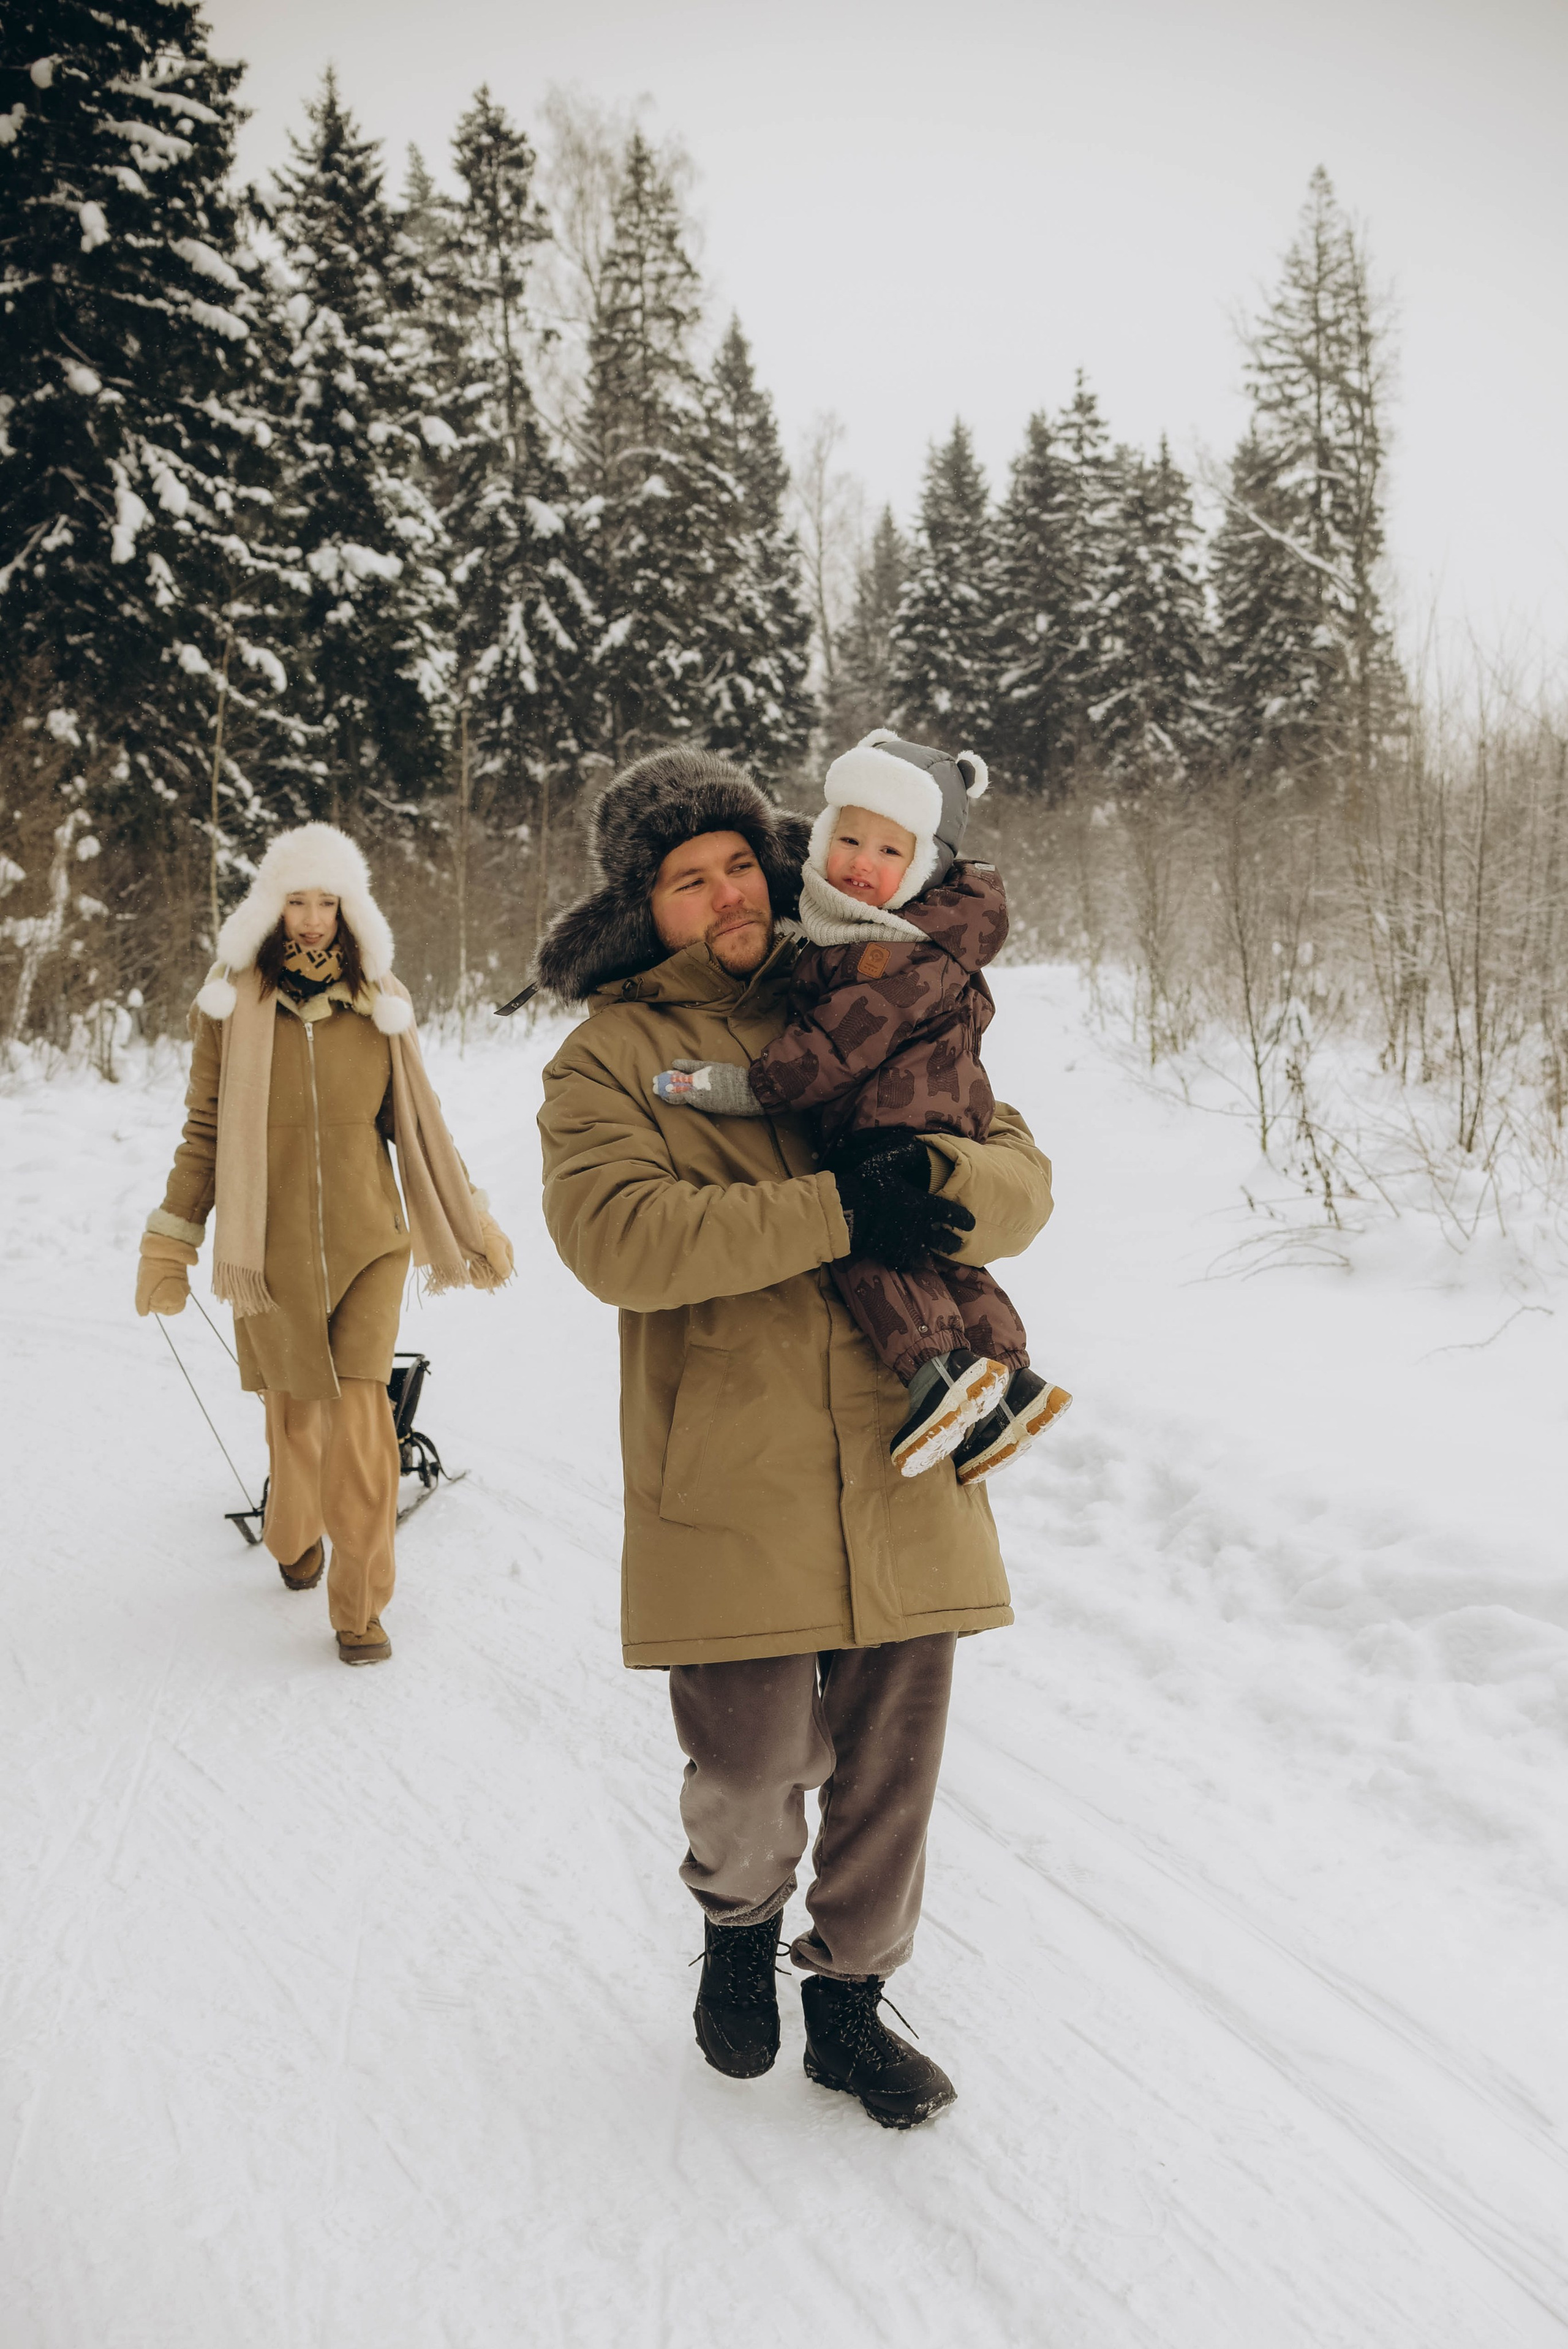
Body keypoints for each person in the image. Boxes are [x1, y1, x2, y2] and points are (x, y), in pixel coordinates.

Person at [535, 749, 1054, 2128]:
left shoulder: (867, 986)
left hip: (902, 1443)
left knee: (892, 1767)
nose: (721, 895)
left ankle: (847, 2005)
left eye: (734, 864)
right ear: (643, 911)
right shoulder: (612, 1056)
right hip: (730, 1466)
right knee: (752, 1763)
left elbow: (1020, 1176)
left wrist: (937, 1184)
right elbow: (619, 1238)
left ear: (779, 863)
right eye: (681, 878)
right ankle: (737, 1924)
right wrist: (841, 1211)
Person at [135, 823, 513, 1666]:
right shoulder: (230, 1004)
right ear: (272, 907)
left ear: (351, 909)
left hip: (371, 1241)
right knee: (293, 1417)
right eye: (297, 901)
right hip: (265, 1252)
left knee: (360, 1416)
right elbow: (204, 1130)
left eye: (327, 902)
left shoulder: (380, 1000)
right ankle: (291, 1536)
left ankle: (360, 1607)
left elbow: (416, 1122)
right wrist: (171, 1241)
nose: (311, 919)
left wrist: (469, 1217)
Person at [653, 728, 1071, 1486]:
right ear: (818, 838)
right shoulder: (875, 935)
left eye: (889, 851)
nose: (860, 863)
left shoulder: (888, 951)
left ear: (925, 869)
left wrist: (741, 1087)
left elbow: (831, 1048)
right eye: (848, 838)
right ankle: (1007, 1380)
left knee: (874, 1244)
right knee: (942, 1252)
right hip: (933, 1109)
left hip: (891, 1120)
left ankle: (935, 1371)